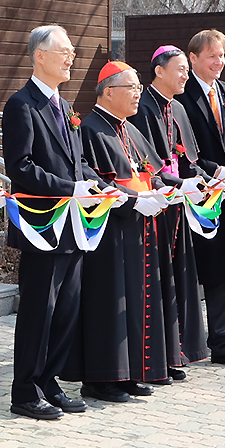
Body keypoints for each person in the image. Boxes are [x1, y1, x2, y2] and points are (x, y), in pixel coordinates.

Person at [2, 25, 109, 419]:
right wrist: (70, 188)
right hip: (42, 226)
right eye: (63, 51)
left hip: (74, 226)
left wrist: (99, 187)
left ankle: (49, 381)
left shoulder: (66, 108)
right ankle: (25, 391)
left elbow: (79, 163)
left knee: (66, 310)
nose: (71, 57)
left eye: (72, 51)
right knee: (38, 311)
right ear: (39, 56)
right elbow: (21, 168)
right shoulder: (21, 104)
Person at [61, 61, 170, 402]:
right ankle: (101, 378)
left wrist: (165, 189)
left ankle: (128, 373)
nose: (139, 94)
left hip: (138, 228)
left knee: (134, 300)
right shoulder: (90, 128)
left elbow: (151, 170)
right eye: (132, 88)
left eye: (139, 88)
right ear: (109, 92)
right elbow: (91, 178)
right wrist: (133, 200)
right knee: (108, 301)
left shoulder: (130, 129)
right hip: (106, 230)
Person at [174, 29, 225, 370]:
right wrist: (218, 171)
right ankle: (180, 343)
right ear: (193, 59)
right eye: (211, 56)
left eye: (222, 55)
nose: (219, 62)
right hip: (196, 193)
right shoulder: (180, 96)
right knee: (190, 270)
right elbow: (180, 150)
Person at [129, 46, 210, 378]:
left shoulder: (177, 107)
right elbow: (148, 165)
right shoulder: (143, 107)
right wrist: (179, 185)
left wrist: (208, 178)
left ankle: (177, 352)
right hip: (156, 204)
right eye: (179, 68)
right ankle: (159, 357)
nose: (185, 74)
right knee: (159, 282)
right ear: (159, 70)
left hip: (179, 203)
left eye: (186, 70)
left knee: (180, 279)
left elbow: (189, 160)